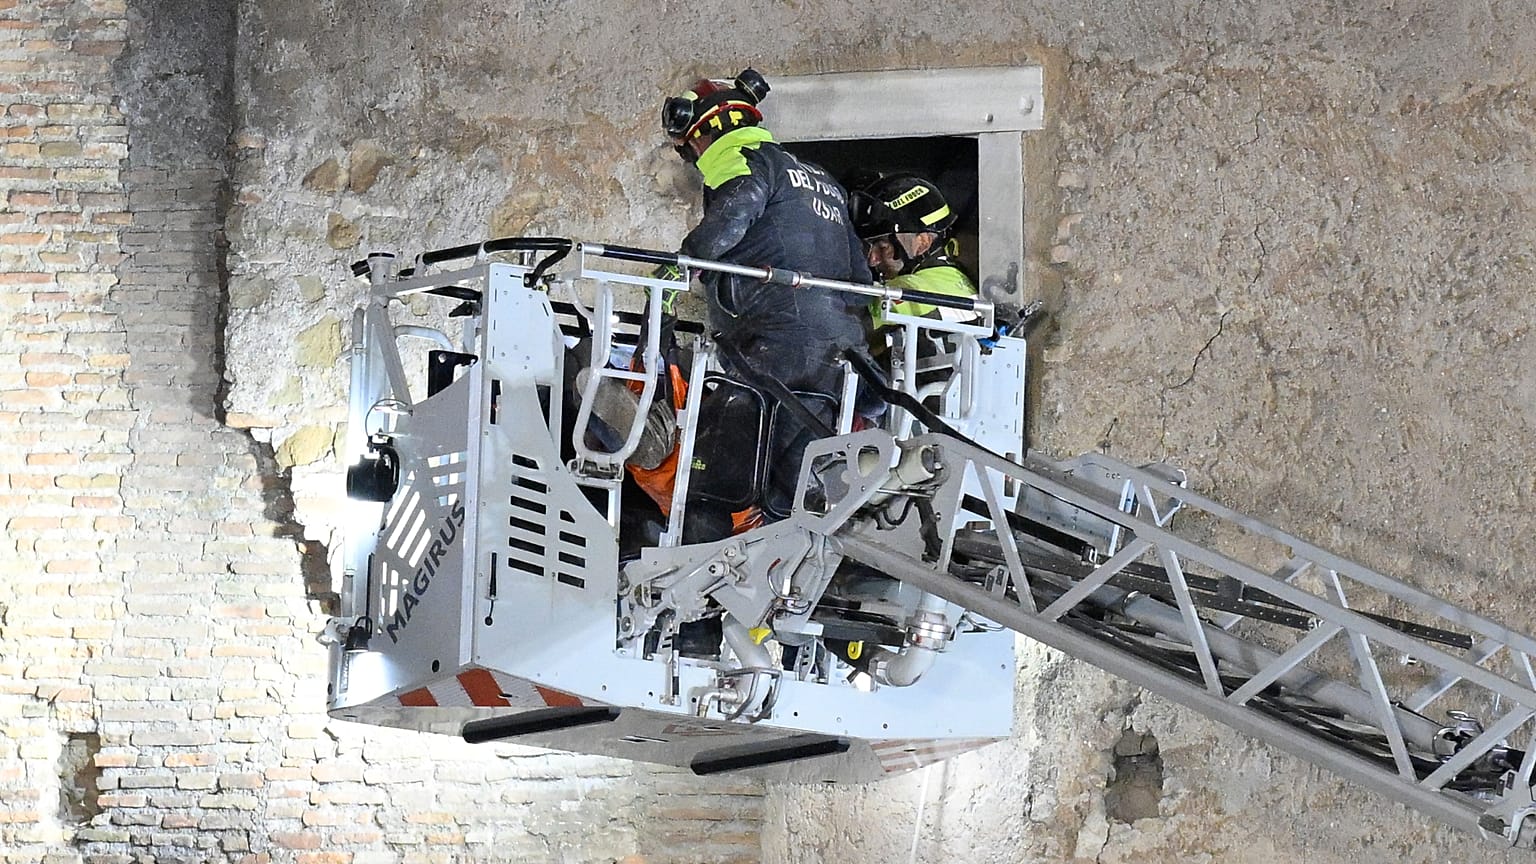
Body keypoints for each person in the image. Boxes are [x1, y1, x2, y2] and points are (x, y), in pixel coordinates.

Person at [662, 68, 871, 540]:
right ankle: (777, 581)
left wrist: (676, 271)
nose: (695, 162)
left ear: (702, 134)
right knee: (786, 496)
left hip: (772, 350)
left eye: (690, 150)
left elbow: (735, 212)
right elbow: (860, 276)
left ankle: (691, 582)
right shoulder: (822, 181)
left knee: (712, 485)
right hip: (837, 361)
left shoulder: (737, 157)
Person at [849, 173, 980, 336]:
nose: (872, 261)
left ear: (923, 242)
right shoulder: (955, 281)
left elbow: (841, 327)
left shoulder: (912, 288)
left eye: (882, 248)